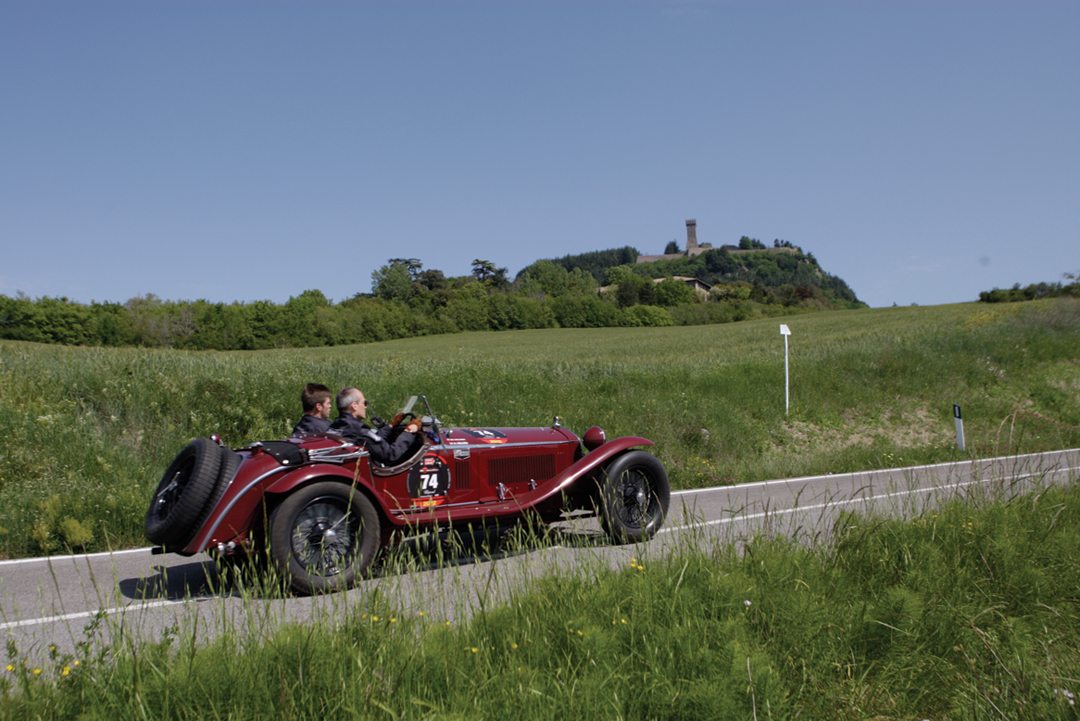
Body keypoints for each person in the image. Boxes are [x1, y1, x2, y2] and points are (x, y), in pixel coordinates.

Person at [329, 387, 420, 464]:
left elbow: (373, 442)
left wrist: (390, 425)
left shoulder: (336, 425)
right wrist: (409, 431)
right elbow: (391, 454)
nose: (365, 407)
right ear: (354, 406)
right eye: (364, 403)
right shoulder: (359, 430)